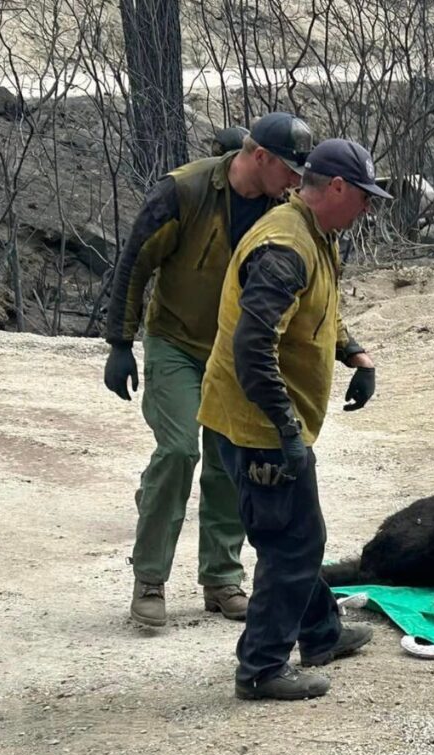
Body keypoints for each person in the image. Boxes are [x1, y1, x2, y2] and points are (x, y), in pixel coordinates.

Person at [104, 113, 375, 629]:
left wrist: (351, 350)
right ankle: (150, 578)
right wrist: (120, 342)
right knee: (179, 449)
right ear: (259, 157)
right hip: (178, 342)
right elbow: (135, 261)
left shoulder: (288, 211)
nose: (298, 180)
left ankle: (222, 579)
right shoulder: (183, 191)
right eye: (289, 169)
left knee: (229, 459)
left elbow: (308, 292)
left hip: (233, 354)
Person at [197, 139, 392, 701]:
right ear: (335, 189)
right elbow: (252, 346)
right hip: (256, 423)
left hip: (253, 418)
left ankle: (320, 632)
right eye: (364, 198)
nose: (368, 210)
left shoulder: (311, 231)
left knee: (295, 534)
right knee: (292, 543)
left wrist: (355, 354)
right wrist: (285, 432)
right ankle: (261, 668)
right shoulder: (285, 246)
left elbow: (317, 310)